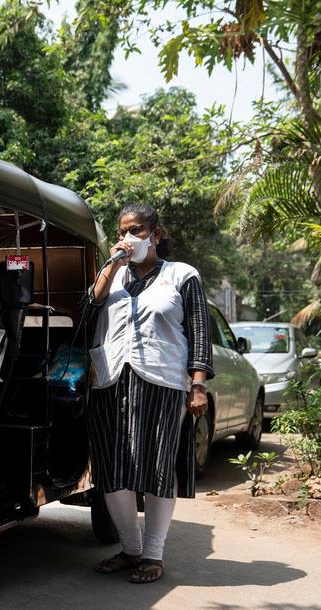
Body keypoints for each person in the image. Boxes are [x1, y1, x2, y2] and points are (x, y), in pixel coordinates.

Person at [80, 203, 213, 583]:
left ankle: (153, 554)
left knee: (157, 466)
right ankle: (130, 548)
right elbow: (90, 308)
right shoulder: (113, 276)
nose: (128, 238)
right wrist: (113, 265)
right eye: (123, 231)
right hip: (111, 381)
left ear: (154, 235)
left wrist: (198, 384)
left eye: (136, 231)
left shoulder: (181, 275)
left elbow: (199, 332)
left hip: (163, 382)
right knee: (112, 468)